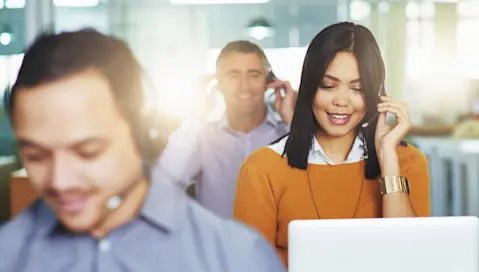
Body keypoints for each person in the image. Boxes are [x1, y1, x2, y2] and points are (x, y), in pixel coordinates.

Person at [0, 29, 285, 272]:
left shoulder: (237, 256)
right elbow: (169, 177)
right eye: (36, 156)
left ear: (139, 129)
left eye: (88, 151)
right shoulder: (8, 255)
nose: (60, 181)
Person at [233, 22, 431, 266]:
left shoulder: (407, 162)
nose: (341, 101)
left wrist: (388, 159)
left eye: (357, 89)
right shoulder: (261, 169)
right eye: (329, 86)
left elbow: (413, 259)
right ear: (310, 87)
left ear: (376, 95)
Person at [156, 40, 297, 218]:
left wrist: (293, 122)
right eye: (233, 75)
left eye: (253, 75)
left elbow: (314, 187)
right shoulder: (200, 138)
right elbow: (164, 185)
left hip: (274, 246)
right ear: (218, 84)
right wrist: (195, 116)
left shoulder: (286, 135)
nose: (244, 86)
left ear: (269, 82)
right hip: (215, 245)